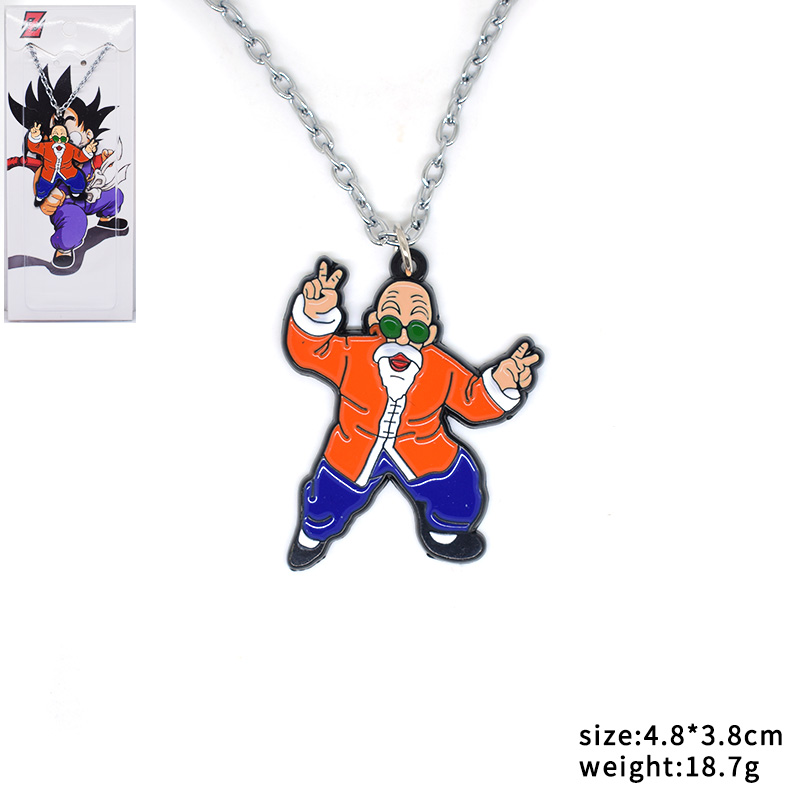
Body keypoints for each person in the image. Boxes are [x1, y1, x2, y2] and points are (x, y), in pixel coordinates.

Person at [285, 253, 543, 570]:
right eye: (392, 325)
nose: (404, 337)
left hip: (426, 452)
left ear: (431, 334)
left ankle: (444, 532)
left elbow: (473, 400)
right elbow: (311, 352)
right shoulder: (353, 355)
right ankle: (312, 534)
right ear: (374, 322)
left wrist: (502, 382)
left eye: (417, 329)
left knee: (459, 481)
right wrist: (316, 313)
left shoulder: (440, 367)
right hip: (352, 451)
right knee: (329, 495)